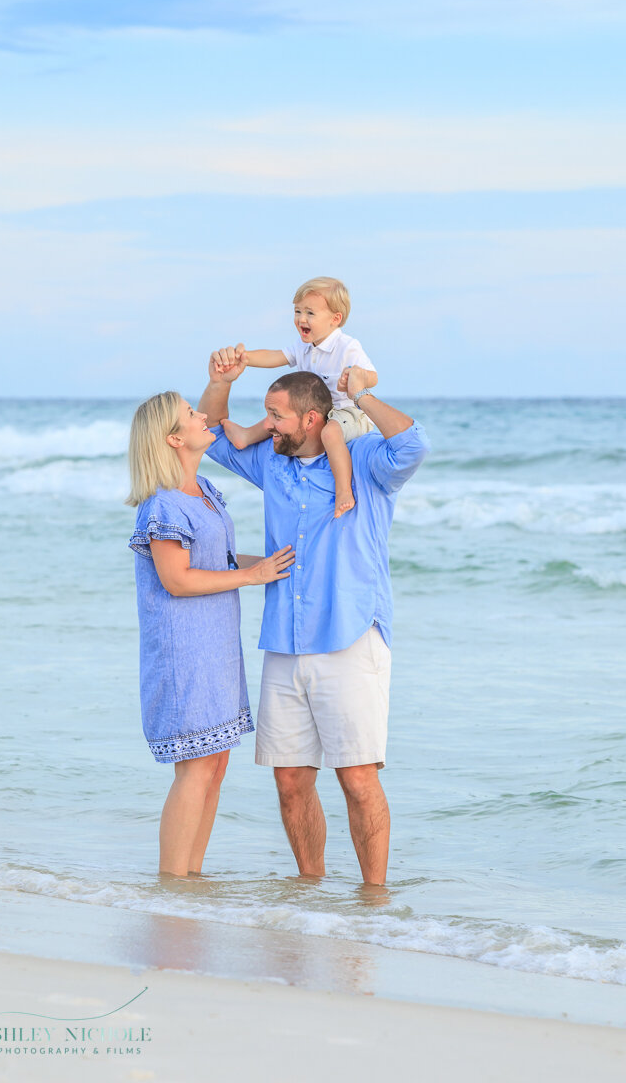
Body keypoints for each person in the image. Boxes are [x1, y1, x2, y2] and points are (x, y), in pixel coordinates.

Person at [197, 359, 430, 886]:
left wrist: (362, 396)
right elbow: (211, 434)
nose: (268, 426)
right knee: (290, 780)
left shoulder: (365, 461)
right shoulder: (272, 462)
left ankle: (374, 898)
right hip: (284, 639)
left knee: (358, 777)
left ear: (310, 420)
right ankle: (311, 892)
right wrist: (222, 381)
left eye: (276, 416)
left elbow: (415, 444)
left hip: (350, 636)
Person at [126, 391, 295, 877]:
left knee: (215, 765)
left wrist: (271, 566)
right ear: (174, 438)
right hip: (185, 651)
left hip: (216, 645)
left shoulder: (205, 492)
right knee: (197, 768)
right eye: (192, 415)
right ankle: (171, 882)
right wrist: (252, 577)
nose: (205, 416)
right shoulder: (163, 506)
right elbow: (177, 580)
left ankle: (189, 879)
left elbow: (215, 563)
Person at [216, 277, 378, 518]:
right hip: (315, 410)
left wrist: (356, 376)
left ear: (335, 319)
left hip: (346, 412)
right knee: (281, 416)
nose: (302, 319)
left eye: (310, 313)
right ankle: (246, 436)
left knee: (330, 432)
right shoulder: (305, 346)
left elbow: (372, 376)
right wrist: (245, 358)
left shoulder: (347, 347)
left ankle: (343, 489)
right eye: (298, 311)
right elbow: (275, 357)